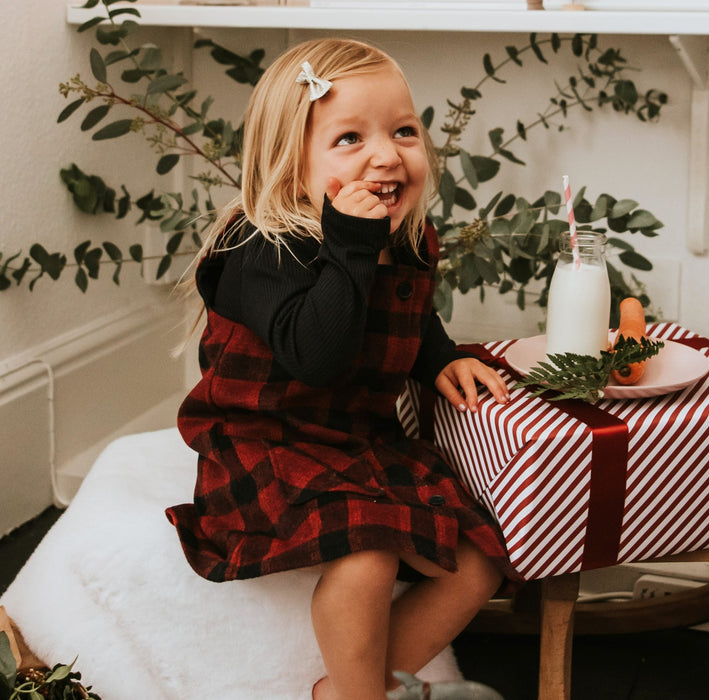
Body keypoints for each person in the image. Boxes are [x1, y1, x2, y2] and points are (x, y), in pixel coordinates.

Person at [165, 38, 521, 700]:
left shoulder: (399, 237)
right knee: (368, 555)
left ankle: (359, 689)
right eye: (350, 138)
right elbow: (317, 356)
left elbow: (405, 316)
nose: (386, 155)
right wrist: (352, 246)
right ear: (291, 164)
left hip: (354, 440)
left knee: (476, 563)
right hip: (265, 442)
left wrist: (440, 357)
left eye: (404, 131)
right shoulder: (258, 246)